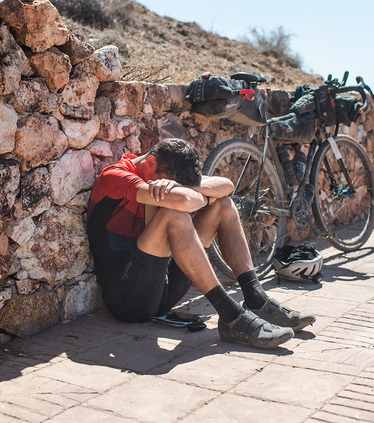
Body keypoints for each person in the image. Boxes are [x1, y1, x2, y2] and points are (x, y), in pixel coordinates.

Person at [86, 138, 315, 349]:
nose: (172, 187)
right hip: (128, 300)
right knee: (174, 214)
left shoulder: (162, 169)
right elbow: (184, 200)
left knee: (223, 205)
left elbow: (227, 186)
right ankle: (231, 315)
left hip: (165, 291)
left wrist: (190, 190)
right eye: (172, 184)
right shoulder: (115, 177)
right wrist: (194, 195)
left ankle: (256, 298)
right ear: (152, 163)